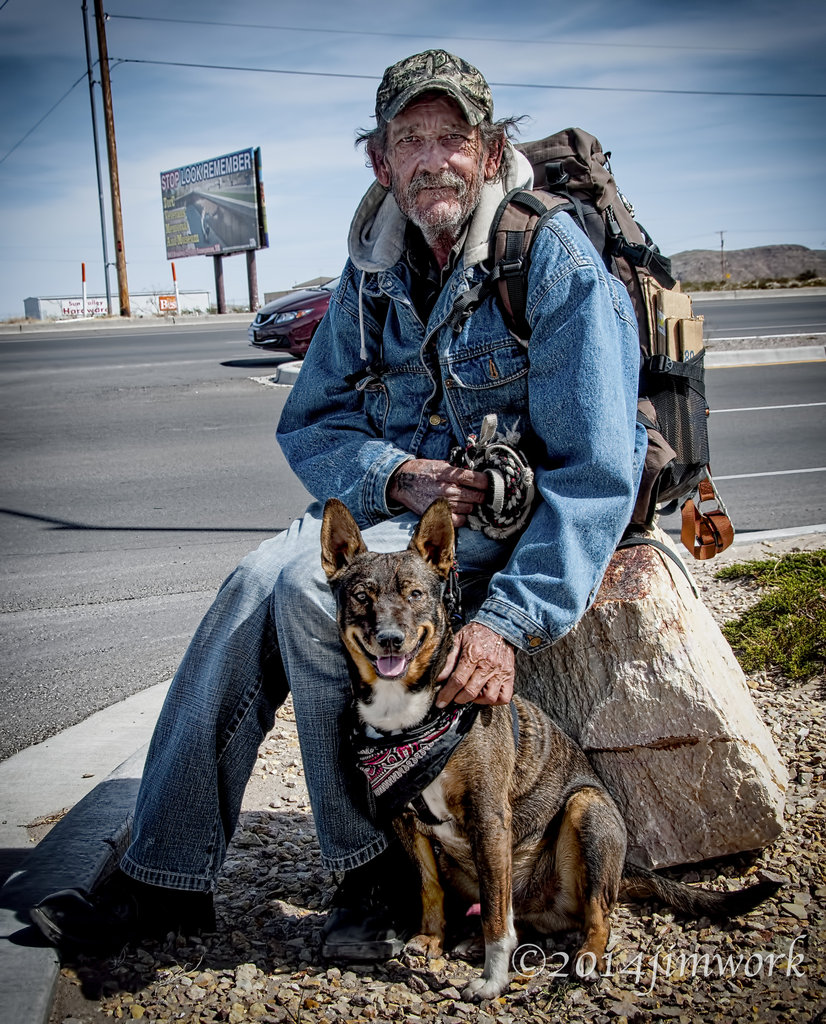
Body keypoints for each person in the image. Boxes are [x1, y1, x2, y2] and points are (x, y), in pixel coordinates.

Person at [31, 49, 645, 957]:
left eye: (451, 138)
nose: (432, 160)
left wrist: (507, 624)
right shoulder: (373, 265)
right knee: (255, 580)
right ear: (381, 161)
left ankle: (377, 879)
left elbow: (595, 473)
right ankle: (162, 879)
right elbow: (311, 421)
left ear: (487, 151)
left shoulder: (548, 258)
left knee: (305, 594)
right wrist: (396, 475)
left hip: (506, 535)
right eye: (410, 140)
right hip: (404, 515)